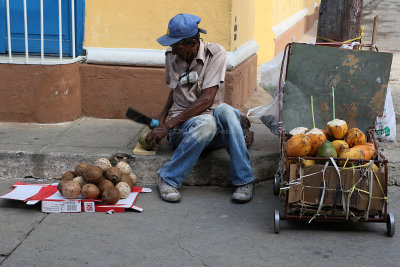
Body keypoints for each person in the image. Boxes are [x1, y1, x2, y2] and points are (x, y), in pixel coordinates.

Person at [146, 13, 255, 203]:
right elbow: (175, 90)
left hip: (210, 116)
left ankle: (244, 181)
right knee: (209, 123)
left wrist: (166, 125)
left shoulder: (216, 53)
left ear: (193, 43)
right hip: (185, 128)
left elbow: (207, 99)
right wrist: (162, 118)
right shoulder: (171, 56)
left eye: (177, 44)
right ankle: (168, 178)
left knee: (224, 112)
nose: (172, 48)